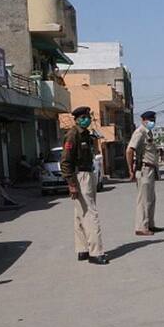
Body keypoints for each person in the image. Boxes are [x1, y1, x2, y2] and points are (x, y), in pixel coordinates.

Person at [61, 106, 108, 265]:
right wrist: (71, 184)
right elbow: (65, 162)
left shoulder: (86, 134)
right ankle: (96, 252)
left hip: (88, 173)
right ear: (76, 119)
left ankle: (82, 249)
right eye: (83, 117)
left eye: (88, 116)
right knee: (90, 213)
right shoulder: (73, 135)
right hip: (79, 176)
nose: (86, 119)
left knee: (79, 214)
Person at [127, 110, 161, 236]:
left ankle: (150, 224)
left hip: (151, 169)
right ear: (143, 120)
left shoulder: (148, 133)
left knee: (151, 198)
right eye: (150, 120)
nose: (152, 122)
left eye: (153, 120)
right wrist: (130, 169)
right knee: (144, 200)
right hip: (144, 169)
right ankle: (141, 227)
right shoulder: (140, 132)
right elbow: (129, 150)